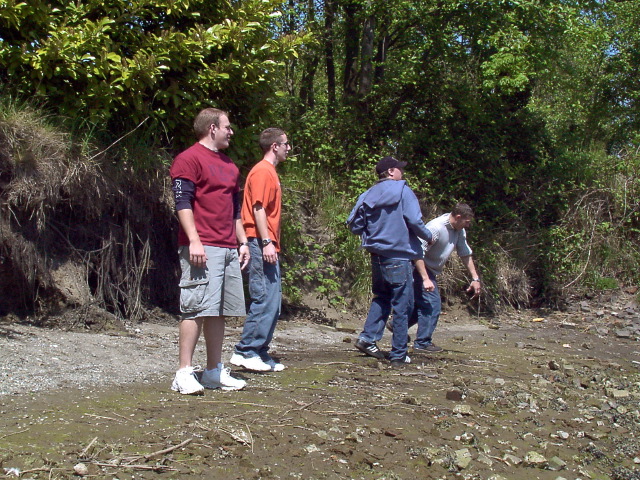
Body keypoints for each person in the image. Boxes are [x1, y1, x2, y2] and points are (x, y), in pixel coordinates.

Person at [169, 107, 250, 394]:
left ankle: (214, 371)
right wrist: (194, 240)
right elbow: (183, 203)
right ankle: (183, 373)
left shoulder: (230, 165)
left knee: (219, 311)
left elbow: (234, 210)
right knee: (194, 308)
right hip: (202, 246)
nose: (231, 132)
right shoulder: (188, 159)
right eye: (227, 127)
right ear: (212, 128)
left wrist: (242, 242)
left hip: (228, 246)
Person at [347, 156, 433, 368]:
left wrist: (374, 231)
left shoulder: (368, 194)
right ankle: (399, 354)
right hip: (399, 256)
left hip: (377, 255)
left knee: (382, 297)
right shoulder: (404, 191)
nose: (402, 173)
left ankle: (368, 338)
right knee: (403, 306)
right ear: (392, 171)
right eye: (400, 169)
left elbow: (354, 224)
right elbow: (414, 220)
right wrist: (428, 235)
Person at [230, 128, 290, 372]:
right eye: (286, 144)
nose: (289, 148)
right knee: (264, 297)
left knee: (273, 301)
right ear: (274, 145)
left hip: (266, 241)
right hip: (259, 241)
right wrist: (266, 242)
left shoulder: (270, 172)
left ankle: (260, 352)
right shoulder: (263, 171)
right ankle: (246, 351)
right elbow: (258, 209)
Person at [409, 203, 481, 352]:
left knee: (422, 306)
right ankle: (422, 343)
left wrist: (475, 278)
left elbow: (464, 252)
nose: (468, 225)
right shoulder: (436, 227)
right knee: (432, 304)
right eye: (467, 222)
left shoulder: (458, 230)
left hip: (431, 270)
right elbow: (417, 252)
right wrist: (425, 278)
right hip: (417, 267)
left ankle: (398, 326)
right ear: (458, 217)